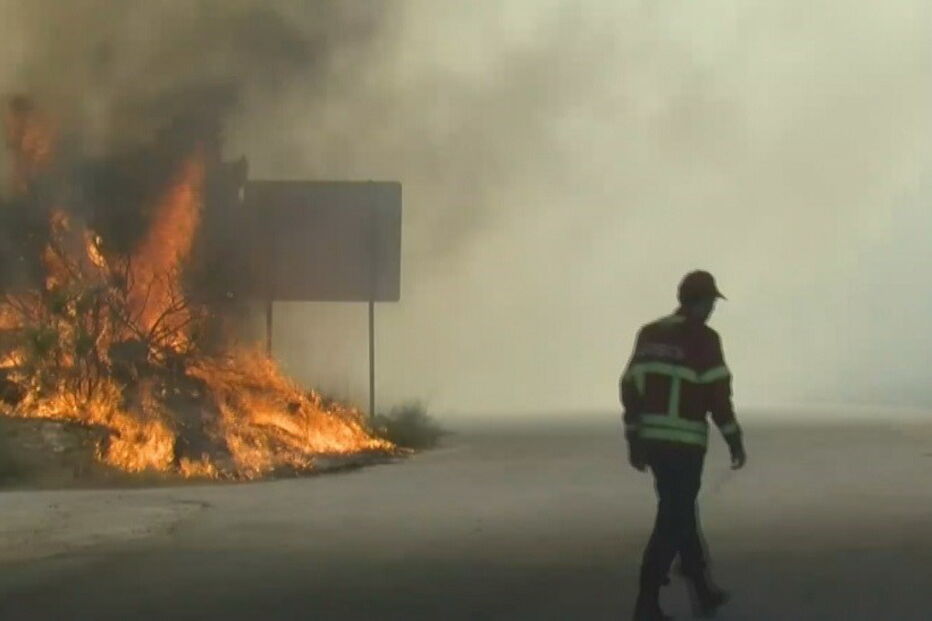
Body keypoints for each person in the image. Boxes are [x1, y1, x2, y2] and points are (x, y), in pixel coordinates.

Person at [619, 270, 746, 621]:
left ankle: (702, 588)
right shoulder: (705, 339)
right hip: (686, 445)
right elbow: (718, 396)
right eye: (711, 303)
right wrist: (733, 438)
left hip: (654, 443)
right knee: (674, 518)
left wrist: (633, 436)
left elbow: (630, 385)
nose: (712, 310)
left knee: (681, 511)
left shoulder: (650, 333)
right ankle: (647, 600)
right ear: (701, 303)